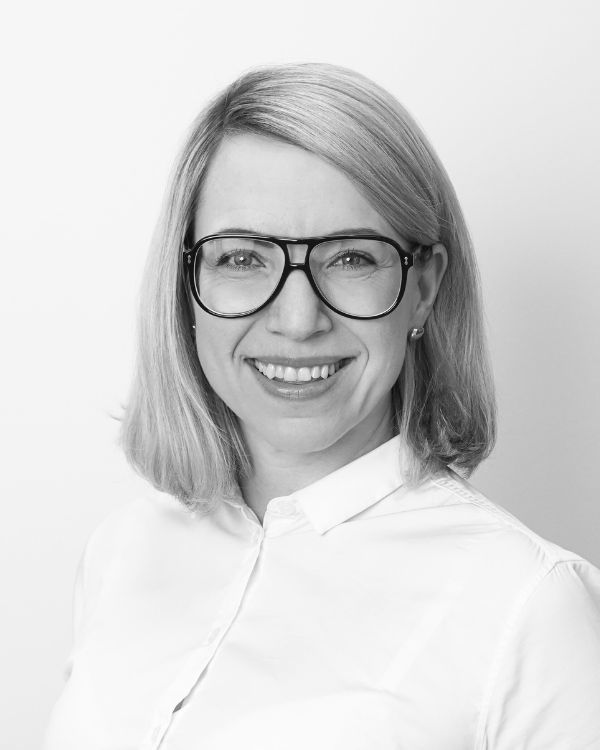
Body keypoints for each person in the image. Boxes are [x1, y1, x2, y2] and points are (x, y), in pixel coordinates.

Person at [44, 63, 600, 749]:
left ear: (423, 289)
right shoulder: (123, 550)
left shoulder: (532, 606)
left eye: (351, 258)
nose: (298, 319)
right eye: (243, 258)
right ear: (184, 284)